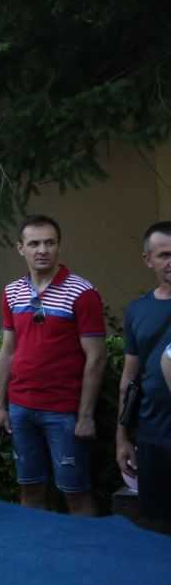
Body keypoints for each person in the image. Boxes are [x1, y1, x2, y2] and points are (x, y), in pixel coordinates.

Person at [0, 215, 106, 516]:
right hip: (20, 408)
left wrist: (86, 416)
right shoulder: (11, 292)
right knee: (29, 489)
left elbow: (96, 357)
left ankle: (88, 546)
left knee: (76, 493)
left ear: (59, 246)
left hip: (64, 411)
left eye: (49, 243)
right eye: (34, 244)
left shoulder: (82, 292)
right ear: (20, 248)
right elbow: (7, 351)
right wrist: (0, 407)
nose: (42, 250)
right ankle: (35, 545)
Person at [120, 222, 171, 532]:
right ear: (148, 260)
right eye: (164, 255)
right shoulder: (137, 310)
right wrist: (122, 437)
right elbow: (130, 377)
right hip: (152, 436)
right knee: (156, 528)